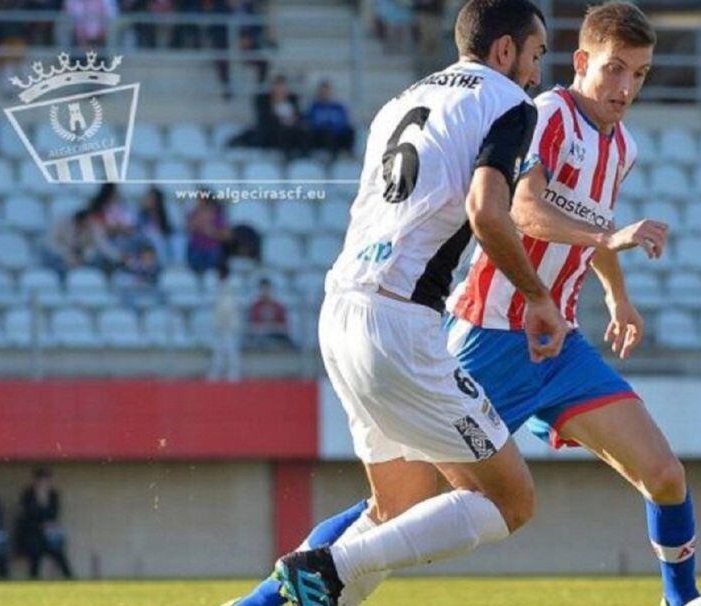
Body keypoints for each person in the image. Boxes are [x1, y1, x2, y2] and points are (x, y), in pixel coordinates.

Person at [231, 4, 701, 606]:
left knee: (664, 474)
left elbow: (595, 221)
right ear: (579, 61)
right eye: (616, 70)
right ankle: (288, 589)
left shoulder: (620, 146)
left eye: (640, 75)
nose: (626, 88)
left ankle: (683, 600)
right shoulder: (536, 112)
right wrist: (579, 258)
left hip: (552, 341)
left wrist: (619, 296)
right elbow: (516, 209)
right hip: (488, 331)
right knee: (410, 508)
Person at [265, 3, 565, 606]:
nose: (535, 74)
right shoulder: (509, 102)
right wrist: (538, 295)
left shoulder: (396, 104)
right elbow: (486, 211)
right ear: (505, 51)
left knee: (396, 509)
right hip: (399, 322)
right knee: (512, 500)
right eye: (535, 56)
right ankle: (326, 564)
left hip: (341, 308)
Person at [17, 468, 73, 580]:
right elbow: (29, 513)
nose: (44, 483)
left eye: (46, 480)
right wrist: (40, 520)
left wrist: (44, 502)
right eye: (41, 480)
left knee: (59, 555)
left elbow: (54, 513)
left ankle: (69, 579)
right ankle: (33, 581)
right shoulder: (28, 495)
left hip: (49, 533)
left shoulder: (53, 495)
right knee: (35, 557)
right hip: (33, 533)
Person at [208, 264, 242, 381]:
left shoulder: (232, 286)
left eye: (217, 273)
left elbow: (229, 307)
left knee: (231, 349)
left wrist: (226, 322)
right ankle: (216, 373)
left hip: (230, 324)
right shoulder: (217, 286)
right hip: (220, 324)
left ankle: (234, 374)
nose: (216, 275)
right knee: (218, 350)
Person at [305, 81, 355, 159]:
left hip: (337, 134)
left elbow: (344, 122)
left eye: (326, 92)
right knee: (326, 133)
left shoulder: (338, 107)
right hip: (321, 136)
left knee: (350, 131)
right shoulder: (314, 107)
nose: (324, 94)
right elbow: (311, 122)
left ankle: (347, 154)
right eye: (322, 92)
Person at [186, 194, 231, 273]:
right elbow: (189, 229)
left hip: (212, 251)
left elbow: (227, 236)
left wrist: (213, 232)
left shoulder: (217, 216)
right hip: (196, 249)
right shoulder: (194, 214)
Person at [246, 277, 293, 348]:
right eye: (263, 289)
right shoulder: (255, 306)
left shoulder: (278, 306)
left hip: (276, 335)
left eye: (267, 289)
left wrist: (274, 326)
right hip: (260, 336)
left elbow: (285, 326)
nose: (265, 292)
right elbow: (252, 326)